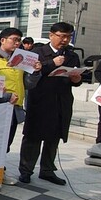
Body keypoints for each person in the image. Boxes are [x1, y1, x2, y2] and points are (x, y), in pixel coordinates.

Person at [18, 22, 83, 185]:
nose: (64, 40)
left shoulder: (72, 55)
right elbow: (29, 74)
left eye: (68, 36)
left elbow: (76, 77)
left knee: (54, 137)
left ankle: (47, 170)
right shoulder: (37, 52)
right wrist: (52, 63)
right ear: (51, 35)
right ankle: (26, 170)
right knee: (33, 137)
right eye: (61, 36)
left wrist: (77, 79)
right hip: (40, 100)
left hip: (62, 100)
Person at [0, 28, 37, 152]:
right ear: (3, 40)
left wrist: (36, 72)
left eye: (19, 40)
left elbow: (28, 84)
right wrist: (7, 96)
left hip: (15, 109)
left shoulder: (20, 60)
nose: (17, 43)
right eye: (14, 40)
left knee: (7, 144)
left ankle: (1, 167)